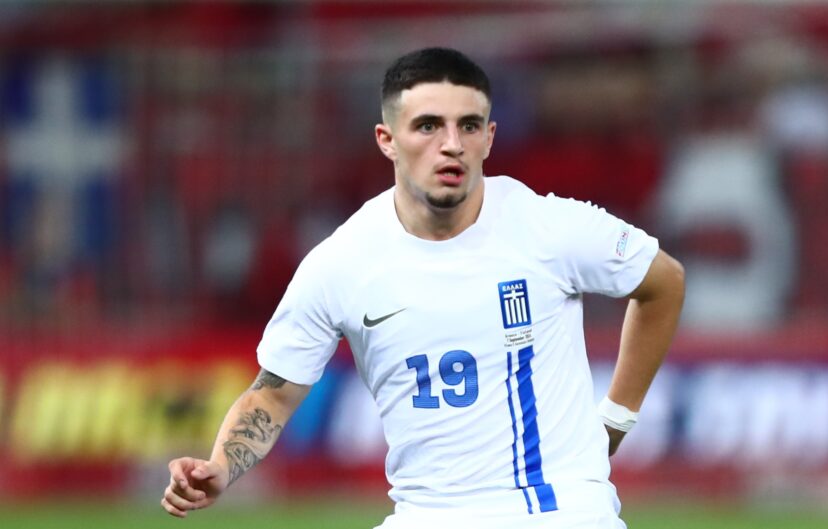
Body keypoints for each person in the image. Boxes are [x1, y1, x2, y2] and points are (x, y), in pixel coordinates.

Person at [161, 47, 685, 529]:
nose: (451, 144)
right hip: (426, 515)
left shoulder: (547, 226)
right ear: (387, 140)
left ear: (489, 138)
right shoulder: (341, 263)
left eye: (468, 126)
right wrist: (221, 465)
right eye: (428, 126)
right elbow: (274, 393)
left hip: (558, 512)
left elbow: (663, 281)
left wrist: (615, 419)